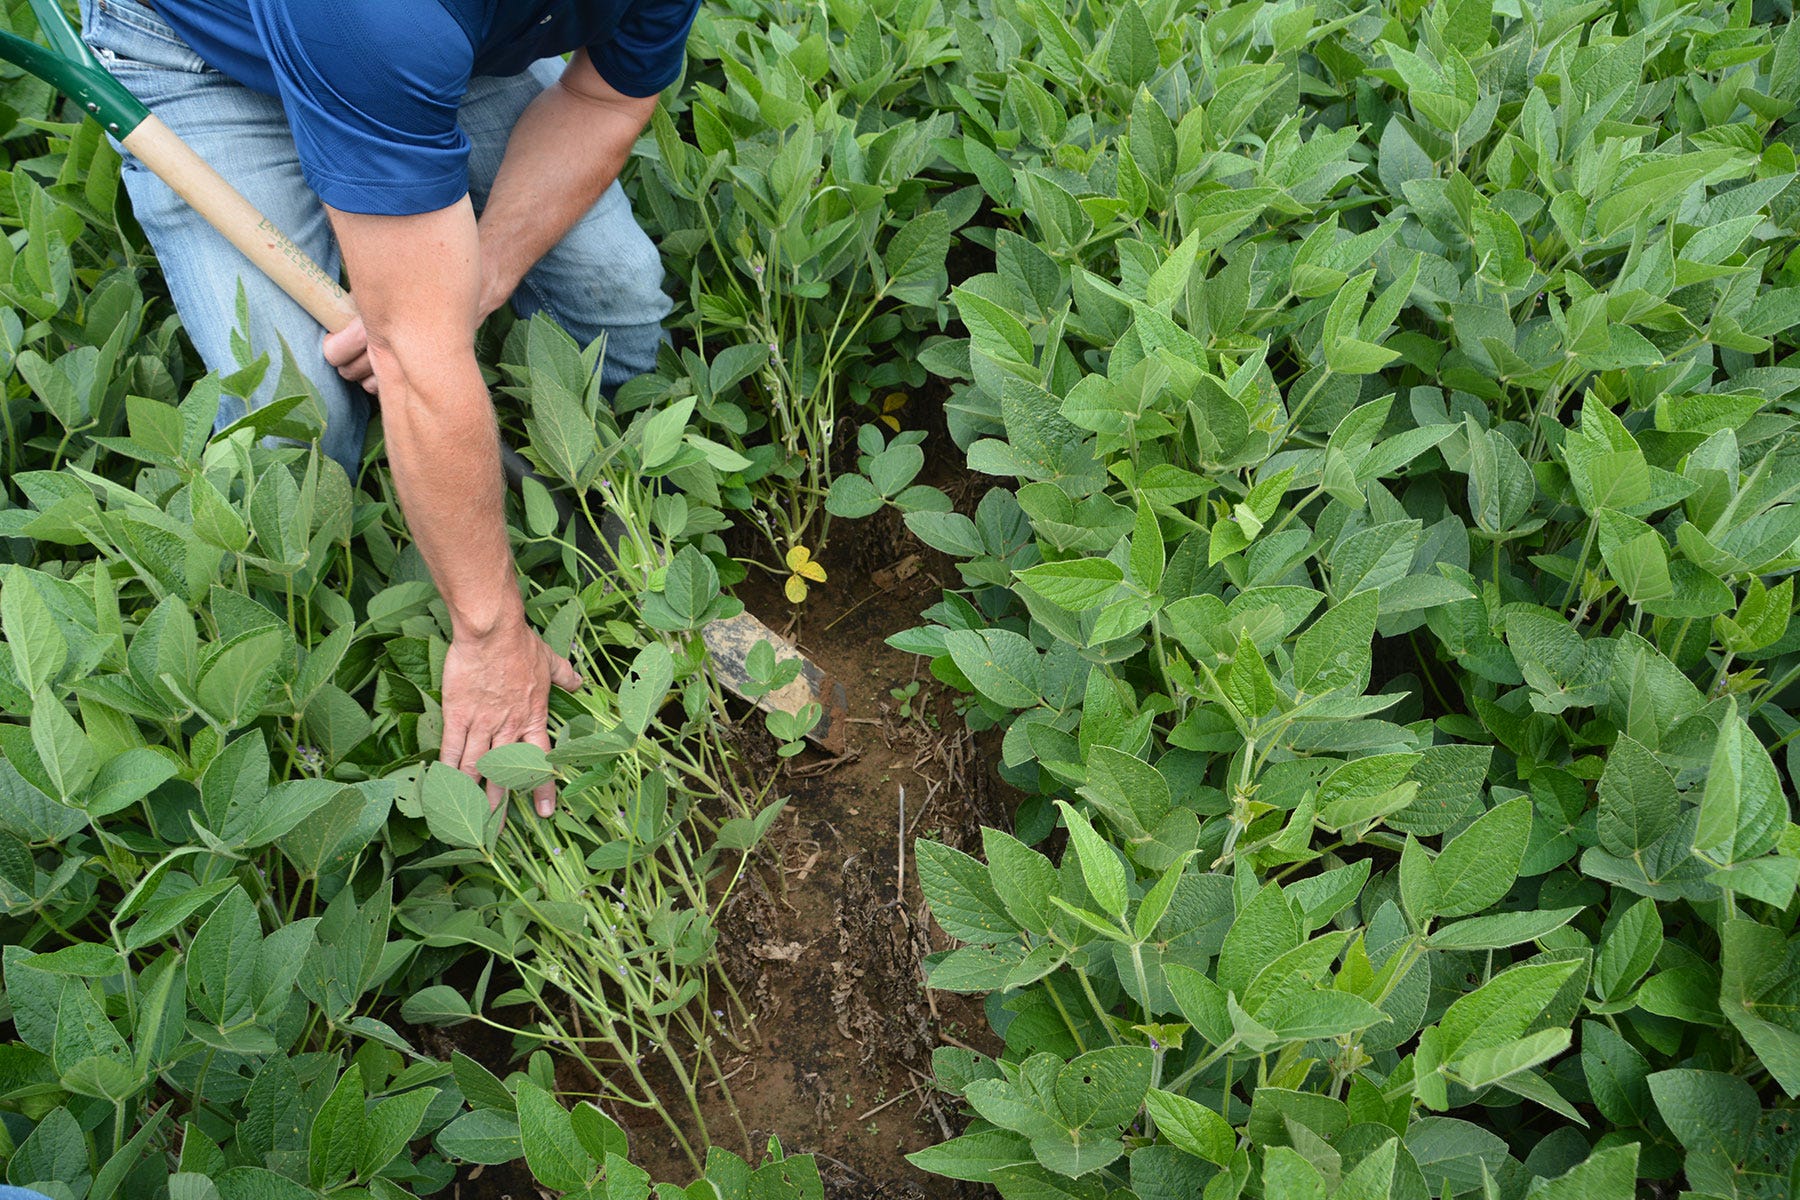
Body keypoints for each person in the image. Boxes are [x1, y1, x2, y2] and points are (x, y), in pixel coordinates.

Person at [76, 0, 701, 817]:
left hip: (445, 58)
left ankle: (600, 501)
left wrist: (476, 278)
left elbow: (604, 99)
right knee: (300, 418)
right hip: (208, 63)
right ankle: (298, 668)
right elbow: (416, 360)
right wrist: (489, 635)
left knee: (616, 300)